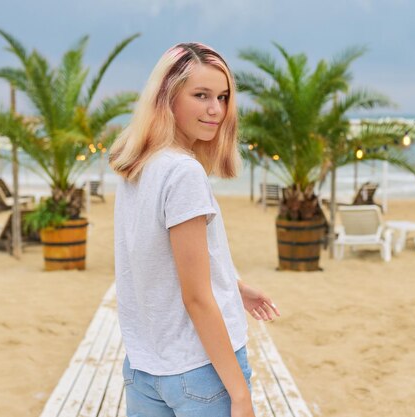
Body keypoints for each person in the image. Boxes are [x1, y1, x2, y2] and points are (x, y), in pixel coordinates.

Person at [109, 42, 281, 417]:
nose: (216, 110)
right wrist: (239, 393)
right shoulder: (182, 172)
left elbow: (159, 264)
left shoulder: (135, 164)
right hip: (199, 371)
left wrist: (234, 289)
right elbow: (197, 298)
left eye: (222, 97)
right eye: (201, 95)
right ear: (167, 97)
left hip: (144, 369)